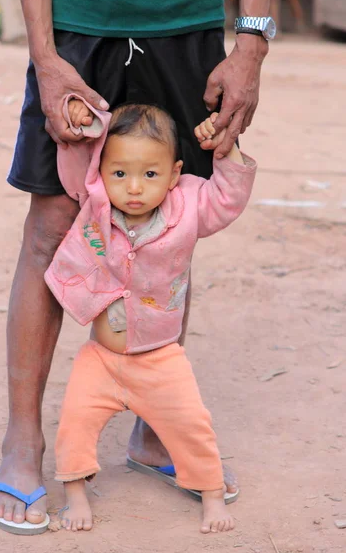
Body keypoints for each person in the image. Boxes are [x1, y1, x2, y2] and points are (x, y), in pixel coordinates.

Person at [0, 0, 273, 533]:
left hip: (184, 21)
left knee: (172, 222)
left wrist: (251, 43)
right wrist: (44, 55)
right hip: (79, 22)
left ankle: (153, 427)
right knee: (49, 227)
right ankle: (22, 442)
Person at [45, 97, 256, 533]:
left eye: (151, 174)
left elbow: (228, 198)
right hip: (101, 357)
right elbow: (72, 166)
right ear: (102, 172)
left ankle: (212, 495)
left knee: (192, 425)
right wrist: (80, 125)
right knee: (75, 423)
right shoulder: (97, 201)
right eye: (119, 173)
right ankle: (76, 495)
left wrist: (226, 147)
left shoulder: (189, 206)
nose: (134, 188)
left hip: (160, 358)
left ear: (175, 174)